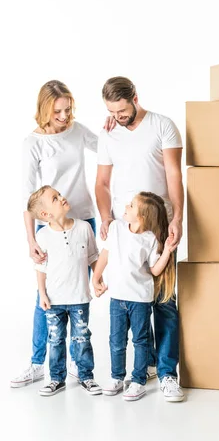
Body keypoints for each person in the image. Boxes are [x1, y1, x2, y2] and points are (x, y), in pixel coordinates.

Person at [11, 80, 110, 388]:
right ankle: (38, 363)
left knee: (81, 294)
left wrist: (112, 126)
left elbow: (105, 147)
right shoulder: (34, 143)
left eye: (68, 109)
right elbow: (28, 198)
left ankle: (80, 366)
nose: (65, 116)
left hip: (83, 219)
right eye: (58, 111)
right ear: (45, 109)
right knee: (47, 296)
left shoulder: (77, 130)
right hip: (49, 226)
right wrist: (31, 240)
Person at [95, 76, 184, 402]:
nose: (118, 116)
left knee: (164, 303)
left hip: (158, 228)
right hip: (123, 230)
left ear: (135, 97)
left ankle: (166, 373)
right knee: (127, 302)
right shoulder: (108, 133)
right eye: (111, 111)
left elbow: (174, 173)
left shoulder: (163, 126)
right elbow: (102, 183)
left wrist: (177, 218)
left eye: (122, 109)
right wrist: (106, 218)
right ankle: (138, 368)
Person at [93, 192, 178, 402]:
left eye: (131, 206)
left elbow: (155, 270)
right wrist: (96, 276)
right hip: (117, 298)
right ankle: (117, 378)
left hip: (140, 299)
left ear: (142, 217)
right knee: (116, 340)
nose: (126, 206)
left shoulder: (149, 240)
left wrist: (167, 250)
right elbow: (106, 253)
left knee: (141, 341)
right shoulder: (116, 228)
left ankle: (138, 381)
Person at [28, 186, 102, 396]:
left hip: (79, 298)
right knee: (56, 340)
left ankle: (86, 376)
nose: (62, 198)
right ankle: (56, 379)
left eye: (59, 194)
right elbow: (40, 269)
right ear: (45, 214)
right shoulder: (43, 236)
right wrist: (42, 294)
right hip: (54, 301)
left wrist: (97, 280)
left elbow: (93, 257)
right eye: (55, 198)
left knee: (82, 338)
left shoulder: (84, 228)